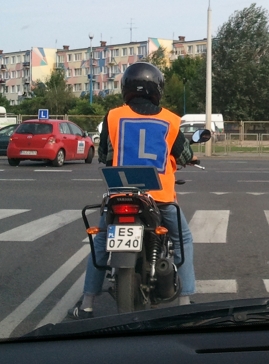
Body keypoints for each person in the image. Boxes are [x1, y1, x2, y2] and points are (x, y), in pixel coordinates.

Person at [69, 62, 196, 319]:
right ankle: (185, 301)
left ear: (126, 87)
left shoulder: (113, 116)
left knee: (101, 242)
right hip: (159, 198)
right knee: (183, 239)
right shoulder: (171, 120)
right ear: (157, 89)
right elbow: (184, 154)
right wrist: (185, 158)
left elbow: (104, 155)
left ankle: (87, 305)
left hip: (121, 194)